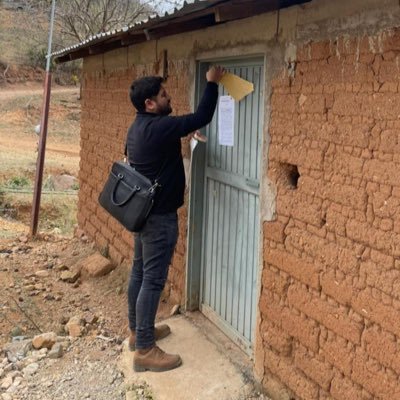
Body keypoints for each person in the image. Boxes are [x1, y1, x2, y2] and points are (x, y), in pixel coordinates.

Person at [126, 66, 225, 372]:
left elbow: (151, 155)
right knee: (152, 280)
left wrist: (179, 138)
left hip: (143, 216)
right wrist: (212, 83)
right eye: (163, 95)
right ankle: (144, 349)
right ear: (150, 104)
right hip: (159, 219)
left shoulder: (139, 127)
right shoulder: (161, 126)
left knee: (140, 273)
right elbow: (201, 117)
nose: (169, 98)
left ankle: (137, 332)